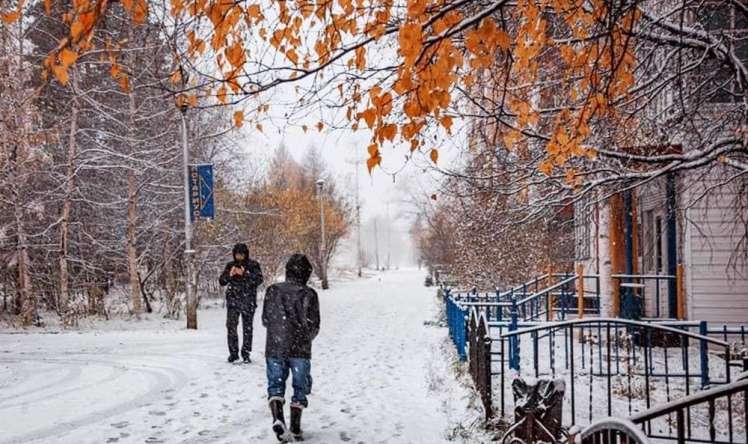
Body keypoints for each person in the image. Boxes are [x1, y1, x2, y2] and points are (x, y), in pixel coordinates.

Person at [262, 254, 320, 442]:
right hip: (300, 349)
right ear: (306, 273)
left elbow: (265, 319)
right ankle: (295, 427)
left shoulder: (272, 291)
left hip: (275, 346)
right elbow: (314, 325)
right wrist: (304, 338)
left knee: (275, 385)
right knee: (300, 386)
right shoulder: (309, 294)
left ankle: (278, 418)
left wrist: (277, 332)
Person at [218, 243, 263, 363]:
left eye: (242, 254)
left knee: (247, 328)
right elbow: (222, 281)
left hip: (248, 301)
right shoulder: (230, 265)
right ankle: (233, 353)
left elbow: (259, 280)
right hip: (233, 301)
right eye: (237, 254)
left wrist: (245, 274)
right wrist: (230, 274)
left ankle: (246, 353)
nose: (239, 257)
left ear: (246, 254)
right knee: (231, 327)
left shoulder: (253, 265)